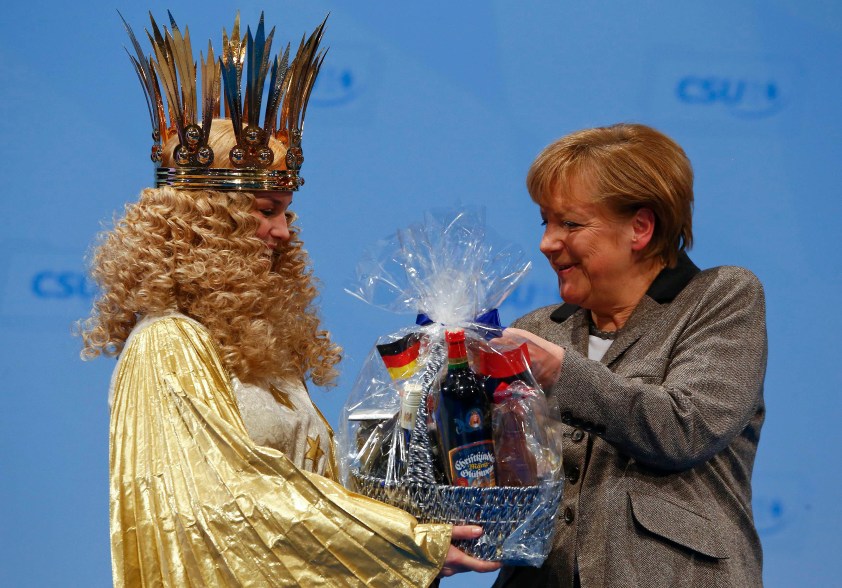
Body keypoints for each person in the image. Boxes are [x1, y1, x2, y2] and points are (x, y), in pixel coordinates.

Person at [79, 12, 499, 587]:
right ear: (206, 223)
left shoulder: (259, 357)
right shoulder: (168, 345)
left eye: (286, 213)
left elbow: (307, 494)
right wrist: (405, 543)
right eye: (265, 212)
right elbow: (224, 507)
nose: (284, 233)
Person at [492, 123, 767, 587]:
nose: (547, 243)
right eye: (545, 221)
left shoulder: (720, 298)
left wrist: (561, 372)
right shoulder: (540, 329)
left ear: (640, 227)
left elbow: (686, 426)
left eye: (570, 223)